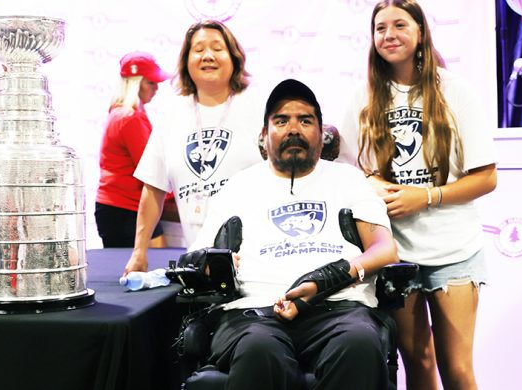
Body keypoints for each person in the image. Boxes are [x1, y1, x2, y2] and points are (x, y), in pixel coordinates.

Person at [188, 79, 398, 389]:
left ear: (321, 132)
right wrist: (212, 263)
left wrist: (330, 277)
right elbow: (196, 258)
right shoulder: (238, 187)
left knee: (358, 345)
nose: (294, 129)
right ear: (264, 135)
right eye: (281, 120)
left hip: (339, 308)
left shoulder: (348, 179)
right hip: (253, 313)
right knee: (259, 350)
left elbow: (384, 249)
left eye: (305, 120)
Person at [337, 1, 497, 389]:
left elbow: (487, 178)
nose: (389, 35)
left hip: (454, 252)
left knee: (457, 369)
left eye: (399, 25)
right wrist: (370, 182)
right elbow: (347, 172)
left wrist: (425, 196)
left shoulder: (455, 91)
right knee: (417, 363)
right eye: (380, 28)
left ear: (421, 31)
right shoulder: (363, 96)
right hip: (396, 255)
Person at [123, 20, 263, 275]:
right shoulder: (171, 114)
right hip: (201, 266)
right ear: (186, 61)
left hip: (258, 259)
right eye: (198, 49)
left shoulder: (259, 107)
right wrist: (139, 253)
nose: (208, 55)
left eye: (217, 48)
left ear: (235, 58)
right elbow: (153, 187)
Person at [95, 51, 171, 248]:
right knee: (153, 270)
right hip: (127, 209)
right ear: (136, 83)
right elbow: (151, 170)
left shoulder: (122, 114)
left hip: (118, 208)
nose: (156, 88)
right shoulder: (130, 118)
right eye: (151, 82)